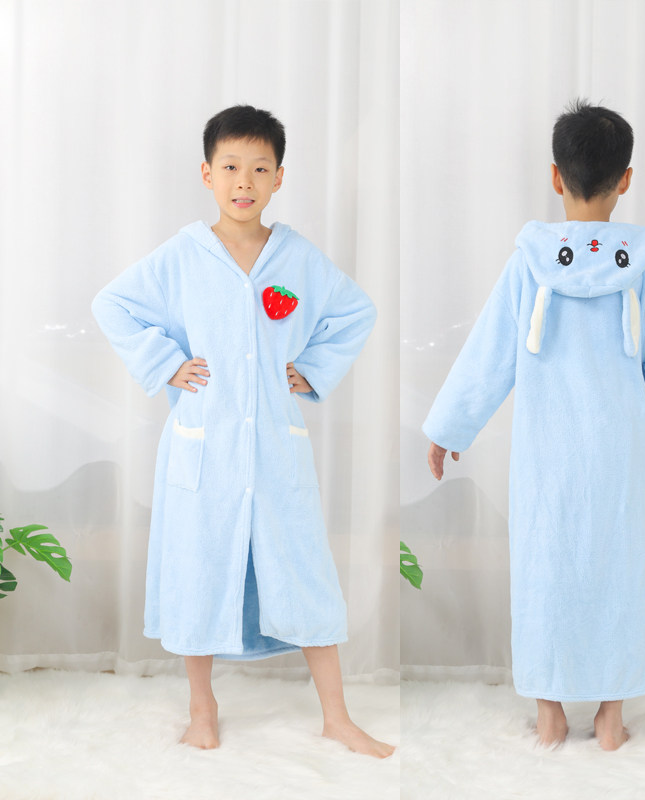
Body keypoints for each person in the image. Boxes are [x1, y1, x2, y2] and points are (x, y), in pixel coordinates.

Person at [422, 100, 645, 751]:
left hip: (548, 459)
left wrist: (449, 428)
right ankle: (611, 717)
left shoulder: (529, 264)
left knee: (546, 570)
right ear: (626, 180)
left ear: (554, 176)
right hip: (620, 462)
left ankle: (550, 714)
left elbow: (488, 355)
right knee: (620, 572)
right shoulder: (642, 271)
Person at [92, 104, 393, 758]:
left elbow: (356, 311)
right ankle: (202, 709)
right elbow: (111, 304)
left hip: (276, 447)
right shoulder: (182, 256)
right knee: (199, 571)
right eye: (230, 166)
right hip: (205, 444)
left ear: (279, 177)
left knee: (306, 572)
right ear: (207, 174)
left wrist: (312, 368)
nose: (244, 181)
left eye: (260, 168)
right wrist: (167, 364)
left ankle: (337, 717)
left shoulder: (297, 258)